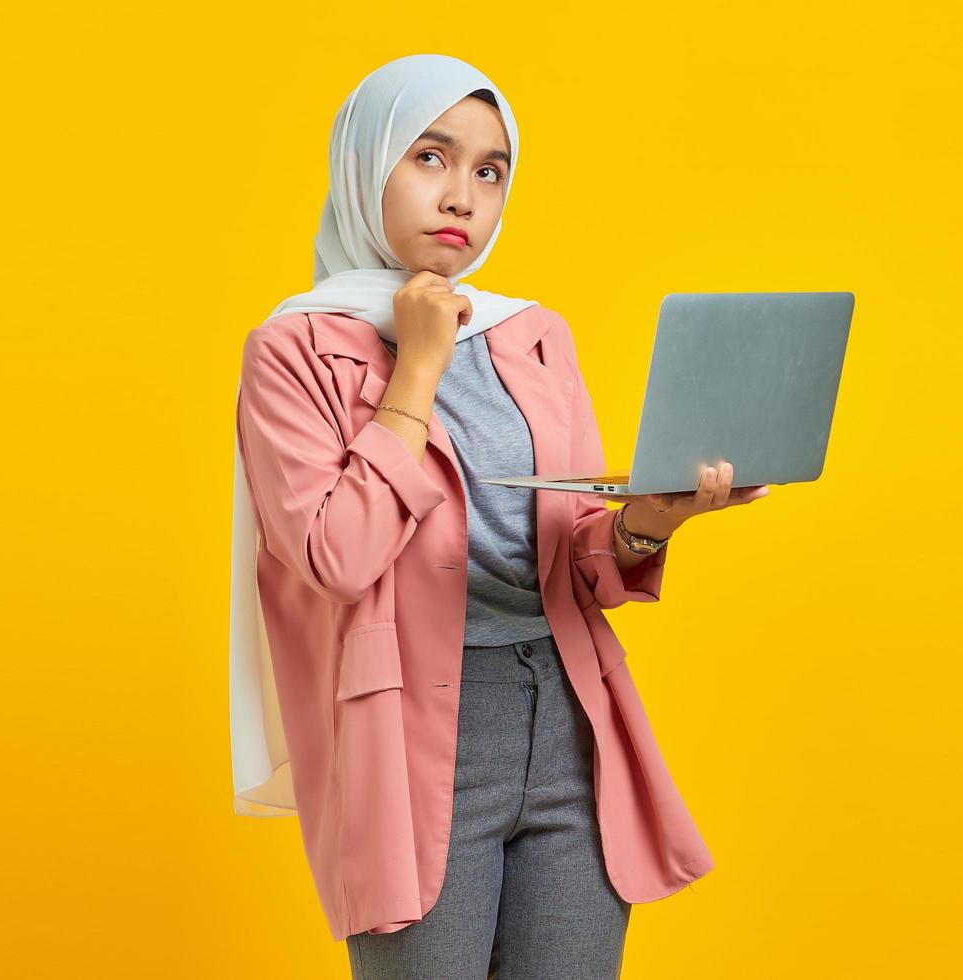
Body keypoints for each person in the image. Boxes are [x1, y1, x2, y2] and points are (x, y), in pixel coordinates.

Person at [228, 53, 769, 979]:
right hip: (411, 732)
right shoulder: (296, 349)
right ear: (368, 164)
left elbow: (578, 557)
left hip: (567, 716)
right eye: (431, 158)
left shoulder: (532, 332)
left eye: (489, 170)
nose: (463, 196)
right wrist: (418, 369)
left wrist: (649, 519)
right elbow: (335, 554)